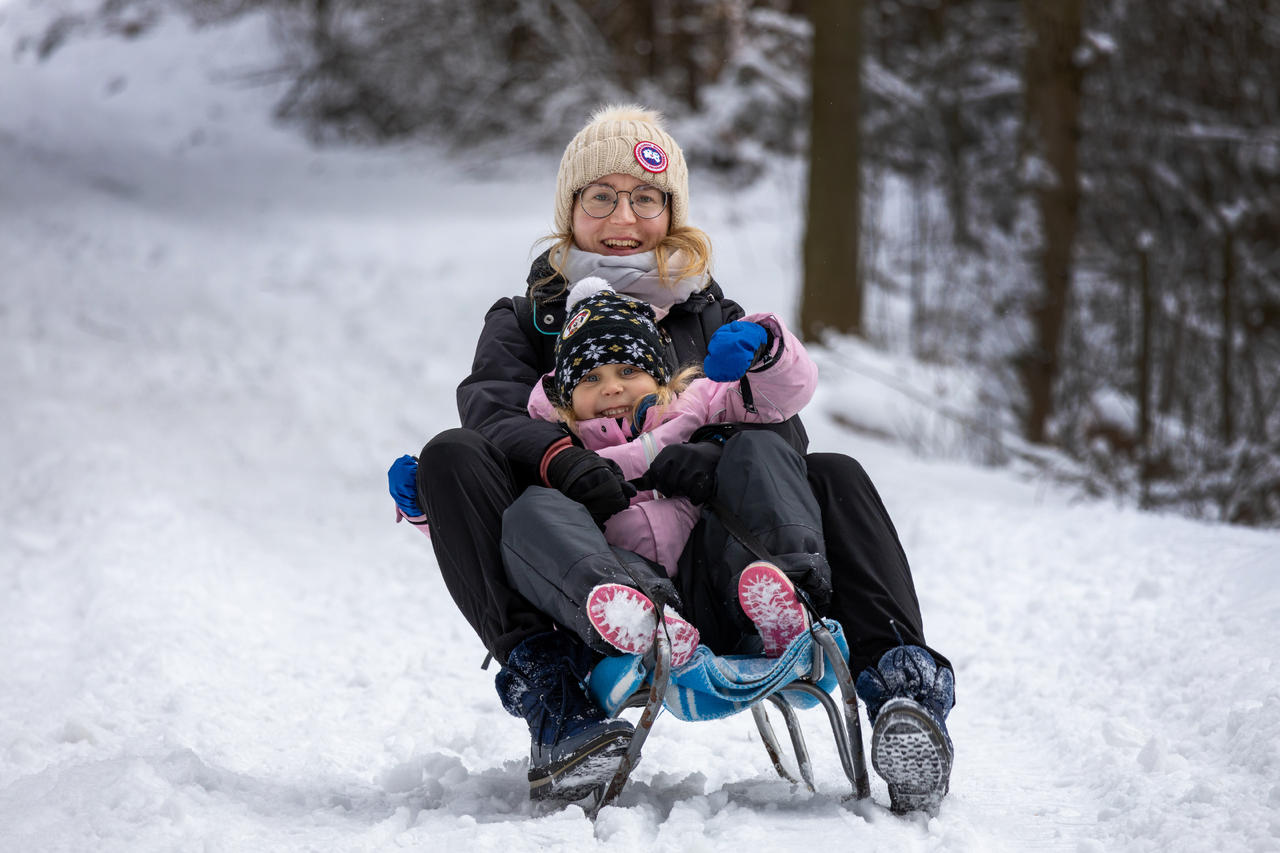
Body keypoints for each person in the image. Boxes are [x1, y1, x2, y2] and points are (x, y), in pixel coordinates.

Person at [388, 104, 955, 814]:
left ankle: (903, 694)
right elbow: (495, 414)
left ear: (672, 211)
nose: (623, 216)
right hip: (595, 574)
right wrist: (563, 460)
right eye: (602, 196)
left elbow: (778, 427)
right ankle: (558, 700)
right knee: (452, 456)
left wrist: (709, 460)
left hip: (731, 562)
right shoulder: (524, 320)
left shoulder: (710, 313)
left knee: (835, 473)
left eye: (646, 197)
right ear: (570, 211)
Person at [502, 275, 827, 673]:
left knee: (756, 447)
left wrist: (763, 347)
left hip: (724, 584)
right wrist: (427, 509)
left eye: (627, 371)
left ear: (658, 376)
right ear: (566, 397)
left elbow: (781, 396)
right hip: (638, 593)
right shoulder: (564, 452)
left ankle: (785, 595)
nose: (611, 389)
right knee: (532, 506)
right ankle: (644, 619)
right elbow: (511, 534)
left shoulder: (698, 404)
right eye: (590, 379)